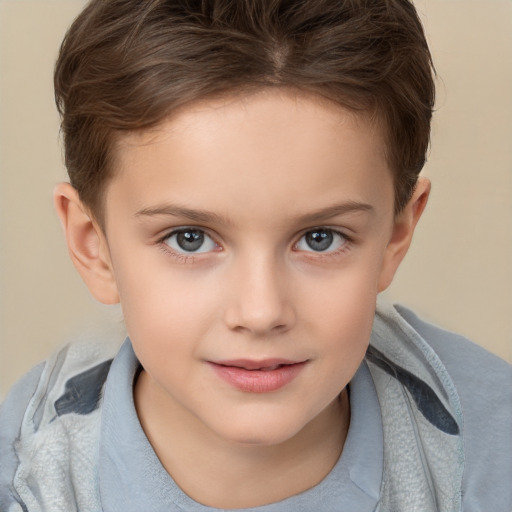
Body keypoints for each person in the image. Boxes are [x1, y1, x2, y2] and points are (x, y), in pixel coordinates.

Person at [0, 0, 510, 510]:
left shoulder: (489, 446)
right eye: (190, 239)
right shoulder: (28, 478)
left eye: (320, 238)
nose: (261, 312)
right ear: (95, 246)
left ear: (395, 235)